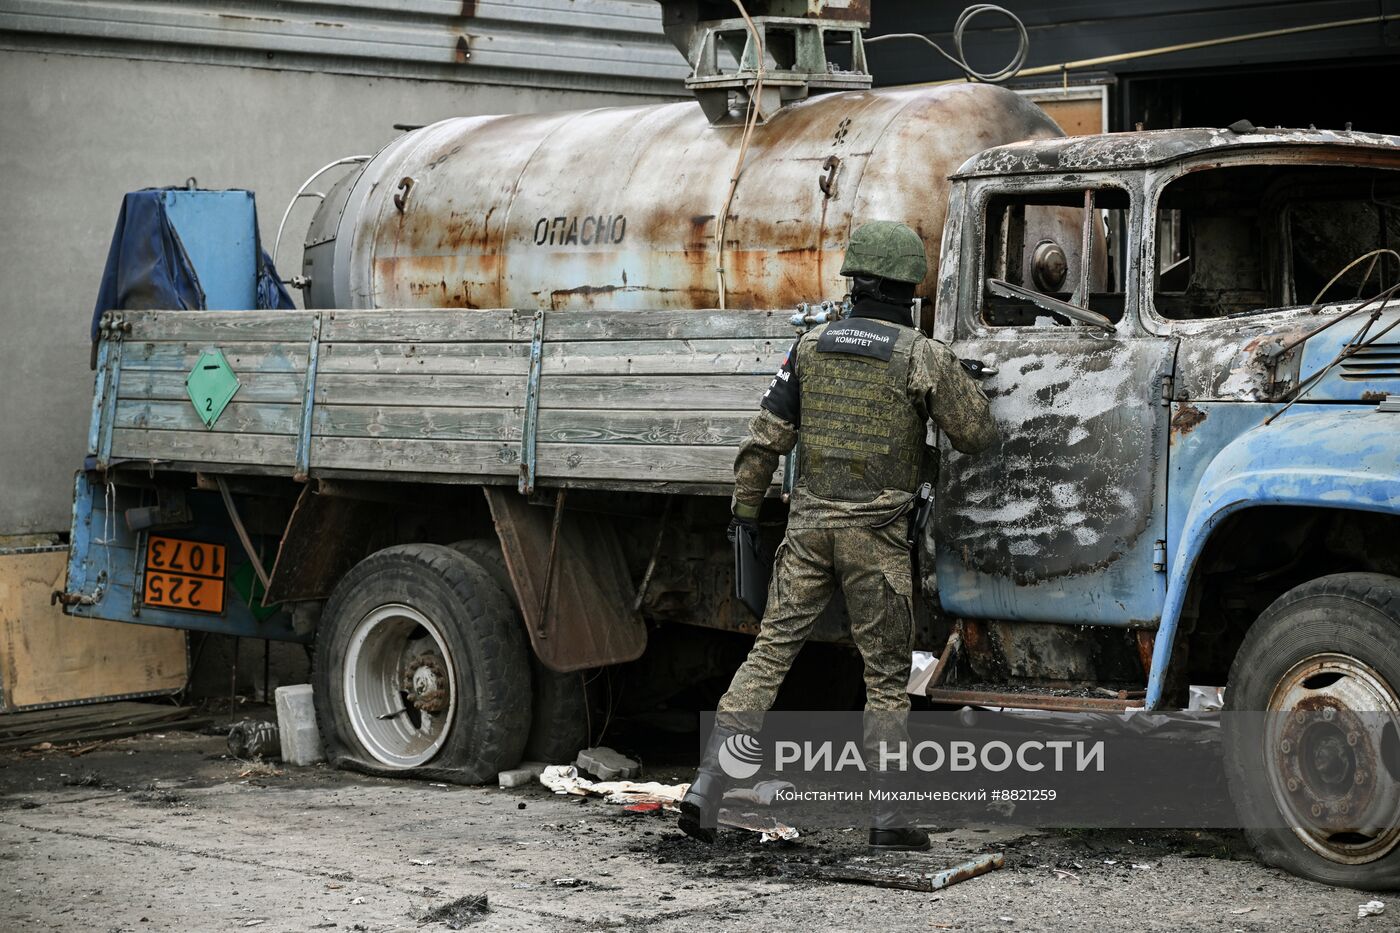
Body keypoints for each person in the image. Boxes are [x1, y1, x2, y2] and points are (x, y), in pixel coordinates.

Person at [678, 221, 998, 850]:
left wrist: (744, 517)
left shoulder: (810, 347)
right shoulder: (920, 355)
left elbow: (763, 443)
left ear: (854, 281)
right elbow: (978, 434)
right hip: (875, 542)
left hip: (808, 534)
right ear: (908, 288)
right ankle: (886, 820)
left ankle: (707, 788)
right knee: (884, 679)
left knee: (769, 656)